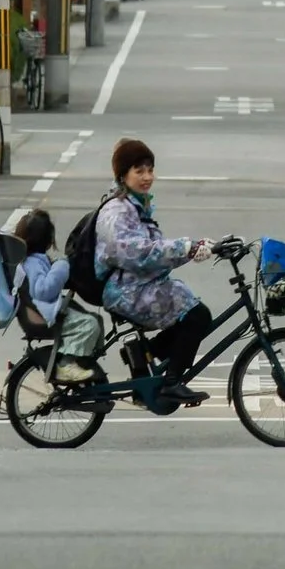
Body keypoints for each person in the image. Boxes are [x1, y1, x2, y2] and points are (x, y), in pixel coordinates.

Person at [94, 137, 214, 406]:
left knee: (194, 313)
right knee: (197, 316)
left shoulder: (137, 205)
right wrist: (185, 248)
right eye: (139, 171)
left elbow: (154, 253)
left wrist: (194, 250)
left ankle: (144, 352)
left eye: (150, 169)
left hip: (137, 284)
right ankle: (171, 382)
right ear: (123, 175)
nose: (147, 177)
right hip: (125, 290)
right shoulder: (117, 210)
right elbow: (134, 252)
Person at [13, 208, 101, 384]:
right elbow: (43, 290)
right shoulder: (33, 263)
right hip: (42, 317)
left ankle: (81, 358)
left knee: (96, 319)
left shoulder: (33, 259)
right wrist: (61, 267)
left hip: (41, 311)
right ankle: (67, 364)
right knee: (89, 324)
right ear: (47, 239)